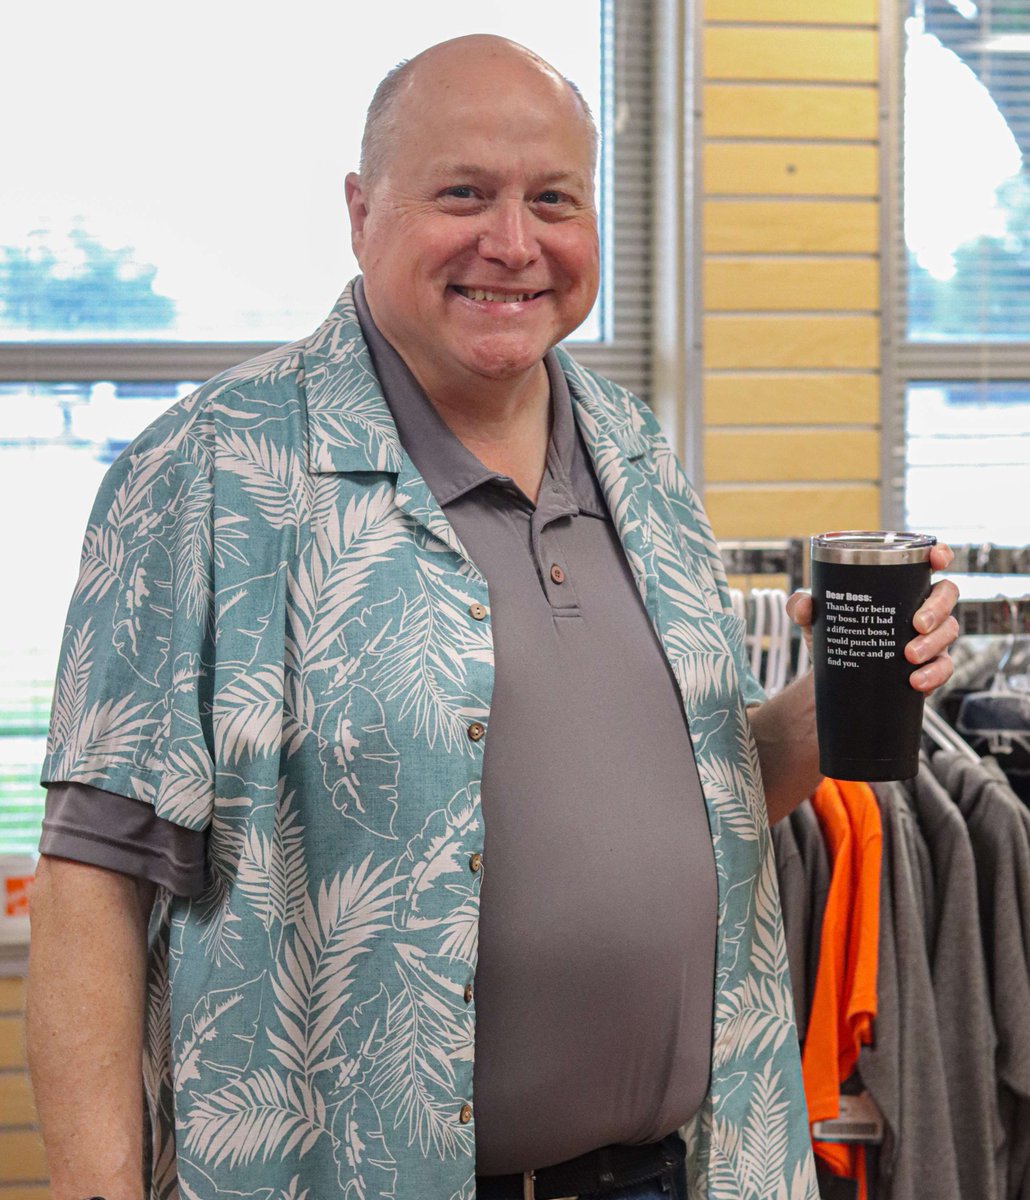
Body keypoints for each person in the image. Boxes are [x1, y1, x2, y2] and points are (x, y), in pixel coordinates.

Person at [26, 34, 960, 1200]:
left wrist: (834, 708)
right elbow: (91, 887)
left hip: (689, 1170)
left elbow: (710, 795)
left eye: (553, 201)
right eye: (462, 193)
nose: (513, 244)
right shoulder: (211, 475)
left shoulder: (635, 455)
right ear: (360, 213)